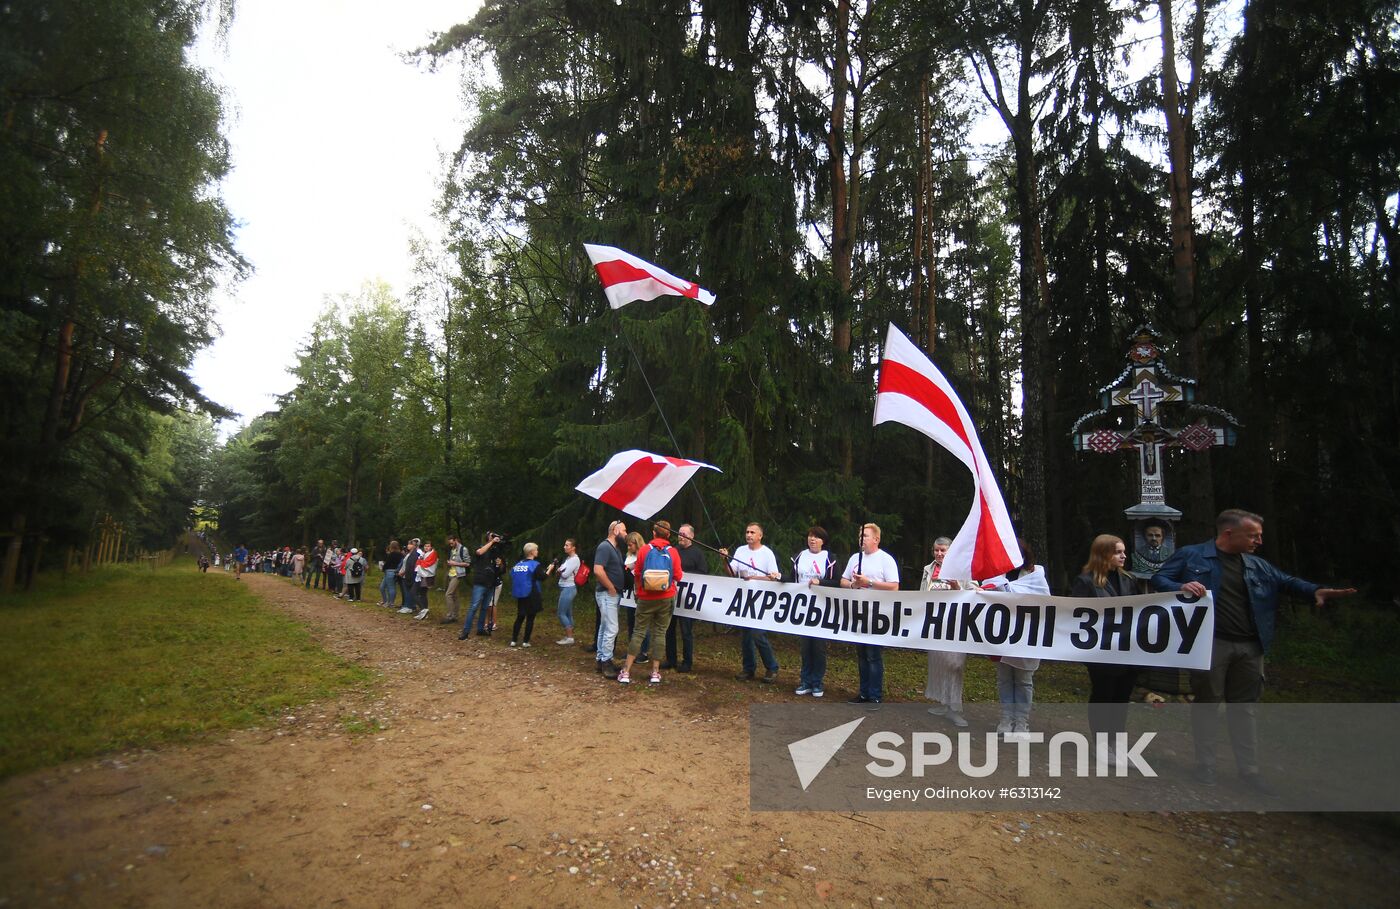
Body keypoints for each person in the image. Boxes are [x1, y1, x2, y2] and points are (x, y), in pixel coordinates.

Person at [1152, 508, 1356, 792]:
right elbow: (1159, 579)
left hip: (1251, 646)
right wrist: (1180, 584)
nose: (1258, 541)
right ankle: (1206, 764)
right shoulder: (1192, 556)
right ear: (1229, 533)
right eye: (1253, 535)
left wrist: (1314, 591)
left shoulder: (1257, 565)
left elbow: (1286, 581)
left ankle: (1249, 770)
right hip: (1209, 643)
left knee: (1244, 709)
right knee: (1208, 704)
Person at [1071, 534, 1139, 757]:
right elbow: (1076, 616)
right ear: (1103, 554)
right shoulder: (1085, 582)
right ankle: (1101, 745)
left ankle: (1116, 744)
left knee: (1121, 698)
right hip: (1100, 651)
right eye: (1118, 552)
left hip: (1127, 650)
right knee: (1104, 695)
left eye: (1123, 551)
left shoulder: (1129, 580)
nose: (1123, 556)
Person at [982, 538, 1049, 741]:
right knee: (1004, 678)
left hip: (1026, 634)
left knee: (1023, 680)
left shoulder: (1035, 573)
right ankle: (1006, 720)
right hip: (1002, 634)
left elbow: (1044, 599)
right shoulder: (996, 574)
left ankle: (1021, 722)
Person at [618, 520, 683, 685]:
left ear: (653, 533)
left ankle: (626, 672)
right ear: (668, 535)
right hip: (666, 597)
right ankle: (655, 672)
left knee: (638, 632)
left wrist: (640, 593)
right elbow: (678, 576)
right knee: (660, 633)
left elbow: (637, 573)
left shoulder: (645, 550)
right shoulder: (673, 552)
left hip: (645, 597)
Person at [841, 523, 900, 704]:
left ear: (876, 539)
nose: (862, 540)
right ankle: (864, 692)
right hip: (857, 612)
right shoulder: (854, 558)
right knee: (861, 654)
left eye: (865, 536)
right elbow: (843, 580)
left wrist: (869, 583)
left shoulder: (885, 559)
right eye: (860, 536)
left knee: (873, 654)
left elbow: (894, 586)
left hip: (877, 613)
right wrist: (853, 585)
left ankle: (875, 695)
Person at [722, 522, 782, 683]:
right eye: (747, 532)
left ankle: (772, 667)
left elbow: (773, 576)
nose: (749, 535)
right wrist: (725, 560)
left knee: (758, 634)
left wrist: (754, 578)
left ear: (760, 536)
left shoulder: (767, 553)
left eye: (752, 532)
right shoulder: (741, 551)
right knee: (746, 635)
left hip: (761, 599)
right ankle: (748, 668)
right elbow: (732, 572)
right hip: (744, 598)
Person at [790, 525, 837, 697]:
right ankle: (805, 681)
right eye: (810, 536)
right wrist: (778, 577)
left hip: (822, 609)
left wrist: (821, 583)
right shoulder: (799, 557)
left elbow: (837, 582)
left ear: (823, 541)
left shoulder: (829, 558)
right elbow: (791, 580)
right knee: (805, 646)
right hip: (802, 608)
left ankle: (817, 682)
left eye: (816, 537)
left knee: (818, 647)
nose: (812, 539)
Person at [665, 524, 706, 672]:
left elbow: (703, 573)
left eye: (684, 534)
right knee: (669, 629)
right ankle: (670, 659)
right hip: (672, 595)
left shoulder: (697, 553)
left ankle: (687, 662)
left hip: (688, 598)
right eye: (679, 533)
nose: (681, 536)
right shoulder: (673, 551)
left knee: (686, 631)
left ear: (692, 536)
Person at [592, 520, 628, 678]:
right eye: (624, 531)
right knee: (612, 628)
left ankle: (601, 659)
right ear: (615, 531)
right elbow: (598, 570)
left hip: (612, 593)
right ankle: (607, 661)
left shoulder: (616, 549)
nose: (626, 534)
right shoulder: (605, 547)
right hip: (607, 593)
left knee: (604, 626)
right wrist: (611, 587)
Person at [460, 532, 504, 639]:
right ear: (487, 538)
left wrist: (499, 564)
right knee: (474, 606)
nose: (494, 537)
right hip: (480, 581)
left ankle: (480, 629)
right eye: (491, 535)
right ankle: (466, 631)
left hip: (491, 582)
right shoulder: (481, 547)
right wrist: (492, 542)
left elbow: (501, 569)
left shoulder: (496, 551)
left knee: (485, 607)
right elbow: (479, 552)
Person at [508, 542, 551, 646]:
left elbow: (511, 574)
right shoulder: (535, 564)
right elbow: (543, 577)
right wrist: (550, 569)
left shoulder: (519, 564)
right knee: (530, 617)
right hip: (531, 593)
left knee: (520, 616)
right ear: (532, 552)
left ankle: (513, 640)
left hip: (520, 593)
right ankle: (525, 641)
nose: (537, 551)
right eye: (536, 550)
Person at [554, 538, 581, 645]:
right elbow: (560, 571)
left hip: (569, 588)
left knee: (561, 613)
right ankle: (569, 636)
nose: (564, 547)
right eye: (565, 545)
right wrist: (560, 571)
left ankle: (570, 637)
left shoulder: (574, 559)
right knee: (568, 613)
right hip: (564, 587)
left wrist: (560, 571)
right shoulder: (568, 559)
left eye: (567, 545)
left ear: (573, 548)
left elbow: (564, 574)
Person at [441, 533, 470, 625]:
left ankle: (450, 616)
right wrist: (450, 563)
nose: (450, 545)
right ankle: (455, 616)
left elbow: (467, 563)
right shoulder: (452, 549)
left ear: (456, 540)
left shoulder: (463, 549)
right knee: (455, 596)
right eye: (449, 544)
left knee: (448, 594)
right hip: (451, 573)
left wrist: (455, 563)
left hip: (458, 574)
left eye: (452, 543)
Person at [413, 540, 438, 619]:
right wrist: (420, 561)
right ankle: (424, 612)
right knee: (422, 594)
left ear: (431, 547)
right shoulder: (424, 554)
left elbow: (428, 564)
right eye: (425, 546)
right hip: (422, 575)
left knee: (414, 593)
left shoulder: (433, 554)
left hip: (426, 576)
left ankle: (423, 609)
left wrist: (420, 562)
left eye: (428, 546)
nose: (426, 547)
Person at [397, 539, 419, 614]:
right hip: (404, 575)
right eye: (408, 544)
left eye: (411, 544)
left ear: (415, 546)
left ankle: (409, 607)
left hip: (409, 575)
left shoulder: (415, 554)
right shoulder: (408, 554)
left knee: (408, 592)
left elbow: (411, 566)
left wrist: (403, 572)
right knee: (406, 591)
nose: (408, 545)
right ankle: (406, 605)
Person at [379, 540, 403, 608]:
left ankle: (390, 603)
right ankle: (386, 601)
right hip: (392, 571)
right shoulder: (400, 554)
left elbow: (388, 563)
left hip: (390, 571)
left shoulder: (392, 554)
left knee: (391, 587)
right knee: (382, 587)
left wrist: (383, 568)